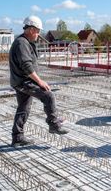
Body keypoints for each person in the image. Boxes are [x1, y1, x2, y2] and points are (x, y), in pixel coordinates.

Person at [9, 15, 68, 147]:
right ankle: (53, 124)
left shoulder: (25, 42)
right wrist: (40, 81)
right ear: (30, 29)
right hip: (23, 81)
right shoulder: (21, 43)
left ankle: (17, 137)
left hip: (21, 80)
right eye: (37, 31)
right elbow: (26, 65)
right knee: (48, 95)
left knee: (23, 108)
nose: (38, 34)